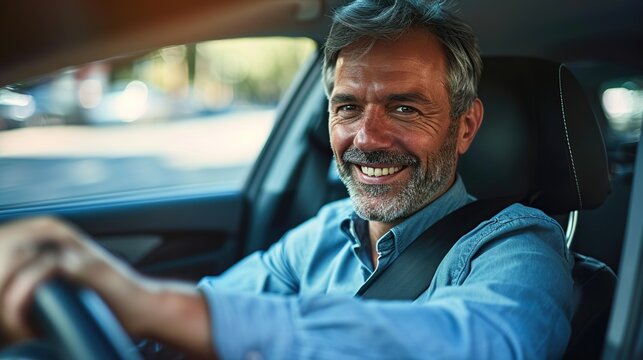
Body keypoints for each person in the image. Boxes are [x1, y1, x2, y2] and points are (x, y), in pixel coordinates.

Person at [0, 0, 574, 358]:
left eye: (404, 108)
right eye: (348, 107)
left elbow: (485, 346)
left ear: (465, 126)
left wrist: (152, 303)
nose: (366, 138)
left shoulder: (521, 247)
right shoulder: (323, 234)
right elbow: (213, 305)